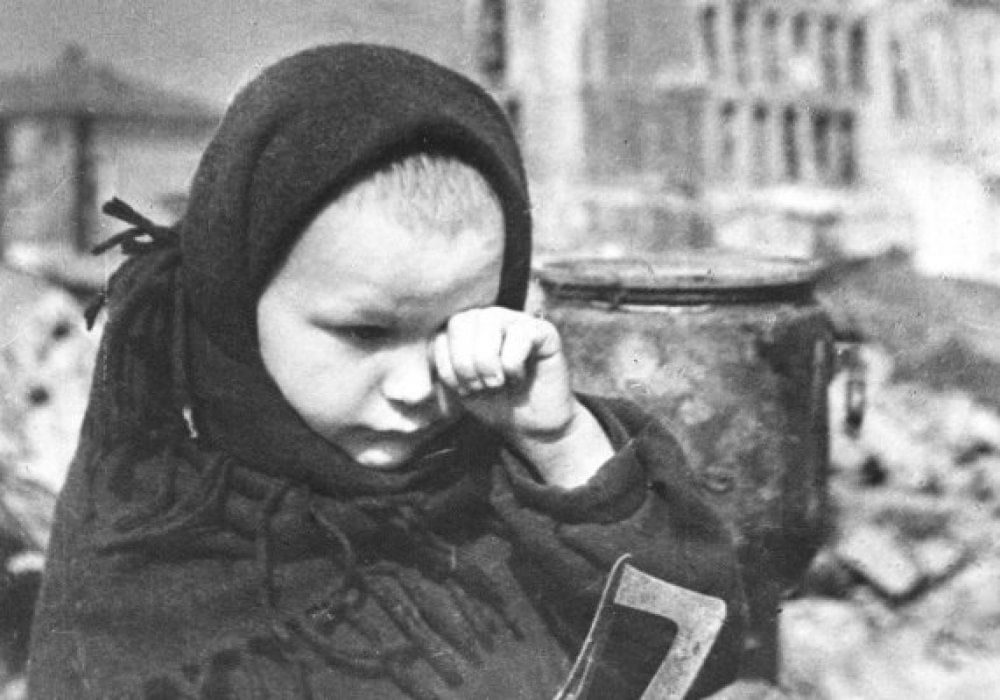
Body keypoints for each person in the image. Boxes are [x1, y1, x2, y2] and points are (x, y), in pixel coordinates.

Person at [27, 44, 744, 699]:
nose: (416, 389)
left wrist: (563, 447)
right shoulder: (148, 527)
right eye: (365, 332)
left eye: (458, 327)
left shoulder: (515, 486)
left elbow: (697, 654)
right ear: (236, 299)